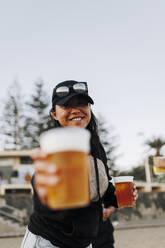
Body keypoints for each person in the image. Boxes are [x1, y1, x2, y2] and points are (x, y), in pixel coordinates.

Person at [20, 80, 137, 248]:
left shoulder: (97, 147)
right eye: (66, 105)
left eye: (82, 103)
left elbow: (101, 191)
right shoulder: (54, 148)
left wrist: (120, 196)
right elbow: (43, 187)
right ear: (54, 114)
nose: (76, 109)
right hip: (47, 241)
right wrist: (43, 186)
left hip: (84, 243)